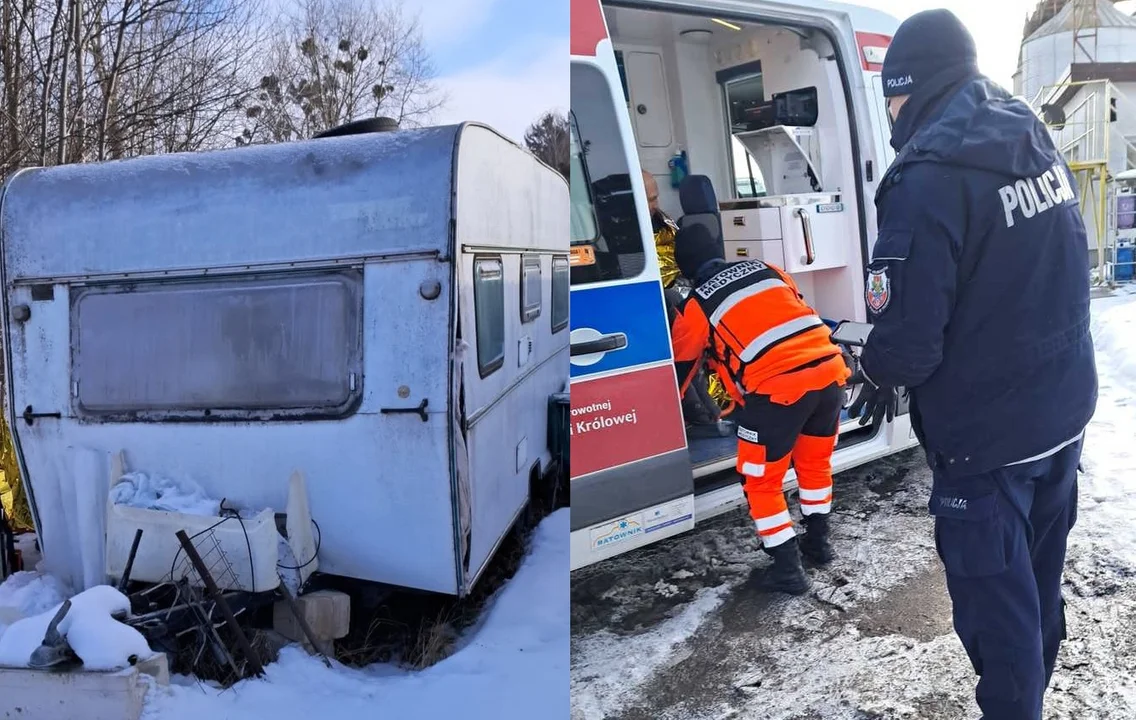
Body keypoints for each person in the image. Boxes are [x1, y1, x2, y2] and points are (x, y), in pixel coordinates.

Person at [846, 9, 1098, 719]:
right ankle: (1031, 692)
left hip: (988, 439)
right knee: (1035, 584)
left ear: (908, 87)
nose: (889, 111)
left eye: (889, 95)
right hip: (1060, 411)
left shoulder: (925, 180)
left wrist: (871, 365)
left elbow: (909, 344)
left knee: (995, 609)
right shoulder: (1025, 132)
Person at [670, 223, 851, 595]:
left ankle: (787, 571)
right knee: (814, 466)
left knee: (761, 482)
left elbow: (682, 369)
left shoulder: (696, 304)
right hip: (831, 374)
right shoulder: (769, 270)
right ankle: (818, 545)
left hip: (777, 392)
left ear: (684, 268)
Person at [642, 170, 734, 426]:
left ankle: (703, 408)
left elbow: (682, 266)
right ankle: (693, 406)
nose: (654, 206)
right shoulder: (620, 233)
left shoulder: (668, 224)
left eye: (655, 198)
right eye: (648, 199)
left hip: (680, 294)